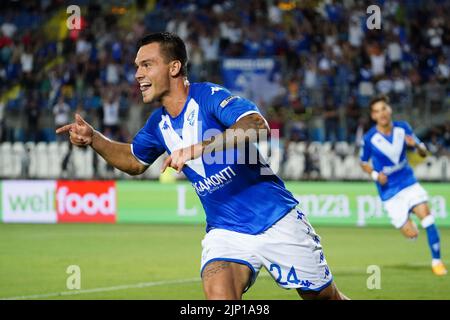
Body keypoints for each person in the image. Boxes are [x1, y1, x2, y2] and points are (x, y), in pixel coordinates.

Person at [56, 32, 348, 300]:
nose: (138, 75)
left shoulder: (208, 97)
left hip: (277, 221)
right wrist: (94, 139)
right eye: (137, 67)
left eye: (146, 65)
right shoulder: (157, 124)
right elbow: (134, 161)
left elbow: (257, 125)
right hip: (225, 232)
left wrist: (200, 147)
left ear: (173, 68)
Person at [360, 95, 447, 276]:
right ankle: (408, 220)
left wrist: (415, 144)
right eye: (377, 111)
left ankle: (437, 262)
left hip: (408, 182)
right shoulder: (369, 138)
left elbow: (423, 153)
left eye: (384, 108)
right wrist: (376, 175)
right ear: (373, 116)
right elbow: (363, 163)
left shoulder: (403, 128)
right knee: (412, 234)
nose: (382, 113)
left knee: (427, 216)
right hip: (389, 192)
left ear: (389, 110)